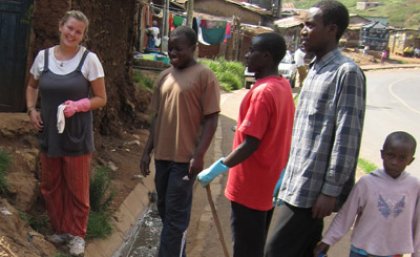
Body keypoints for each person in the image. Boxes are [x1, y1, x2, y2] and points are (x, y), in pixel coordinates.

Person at [264, 1, 366, 257]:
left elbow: (347, 137)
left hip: (312, 193)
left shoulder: (346, 72)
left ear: (332, 29)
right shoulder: (316, 69)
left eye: (311, 25)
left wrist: (331, 190)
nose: (304, 31)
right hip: (296, 185)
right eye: (303, 25)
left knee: (274, 252)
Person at [198, 32, 295, 257]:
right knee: (255, 245)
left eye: (252, 51)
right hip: (269, 183)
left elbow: (251, 144)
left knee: (245, 249)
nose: (247, 55)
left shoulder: (262, 92)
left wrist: (218, 167)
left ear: (267, 57)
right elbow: (268, 130)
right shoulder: (282, 87)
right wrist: (242, 129)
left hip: (250, 185)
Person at [26, 10, 107, 256]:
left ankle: (76, 235)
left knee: (77, 188)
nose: (72, 34)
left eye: (78, 32)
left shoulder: (89, 60)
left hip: (76, 135)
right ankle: (60, 231)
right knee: (51, 185)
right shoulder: (43, 57)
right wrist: (31, 110)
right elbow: (31, 86)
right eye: (70, 28)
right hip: (49, 132)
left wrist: (80, 105)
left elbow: (101, 98)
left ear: (83, 36)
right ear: (61, 27)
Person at [139, 26, 220, 257]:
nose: (173, 52)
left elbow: (212, 119)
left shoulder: (205, 76)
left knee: (175, 219)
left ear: (193, 48)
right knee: (165, 210)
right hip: (163, 157)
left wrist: (200, 154)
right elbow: (157, 118)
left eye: (179, 48)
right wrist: (147, 152)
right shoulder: (165, 76)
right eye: (170, 48)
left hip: (185, 160)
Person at [314, 131, 420, 257]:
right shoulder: (367, 183)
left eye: (402, 158)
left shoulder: (414, 186)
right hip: (361, 250)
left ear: (410, 160)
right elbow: (346, 215)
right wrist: (327, 241)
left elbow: (417, 223)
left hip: (393, 253)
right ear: (382, 154)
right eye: (391, 155)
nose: (395, 162)